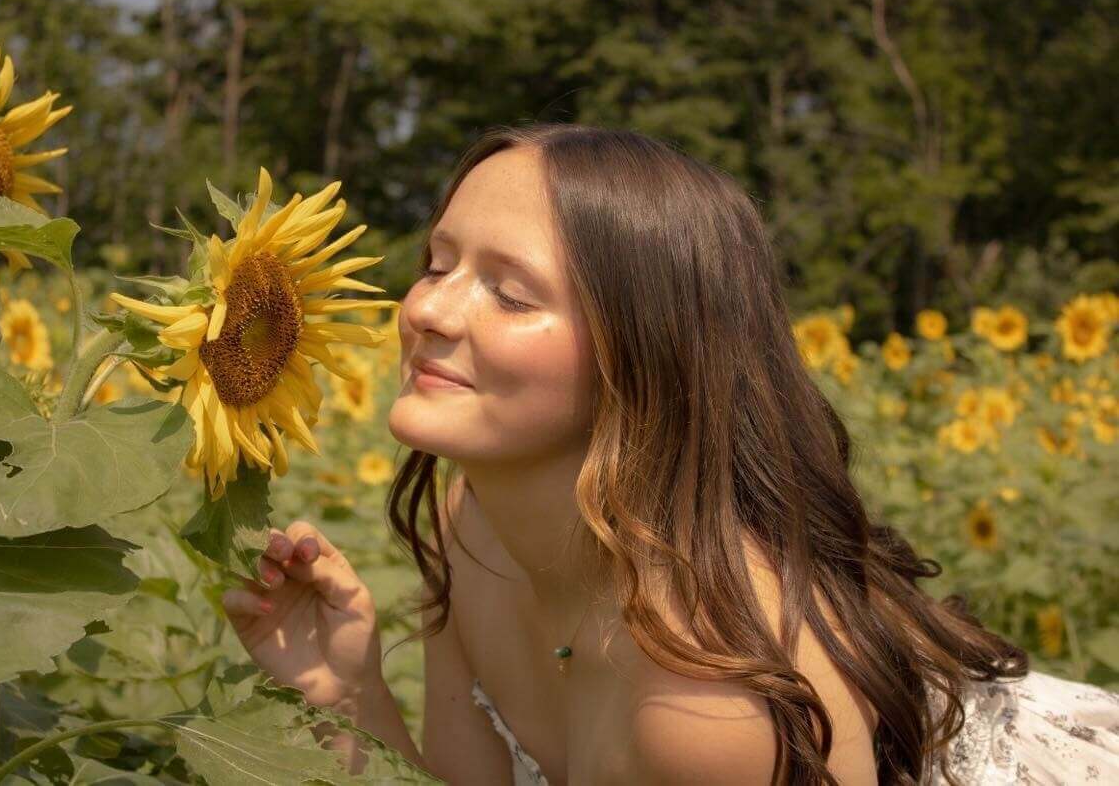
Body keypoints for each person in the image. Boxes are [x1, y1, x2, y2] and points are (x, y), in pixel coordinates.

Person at [222, 124, 1119, 784]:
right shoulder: (474, 525)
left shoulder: (708, 705)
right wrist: (343, 695)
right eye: (438, 260)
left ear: (644, 351)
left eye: (510, 291)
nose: (426, 310)